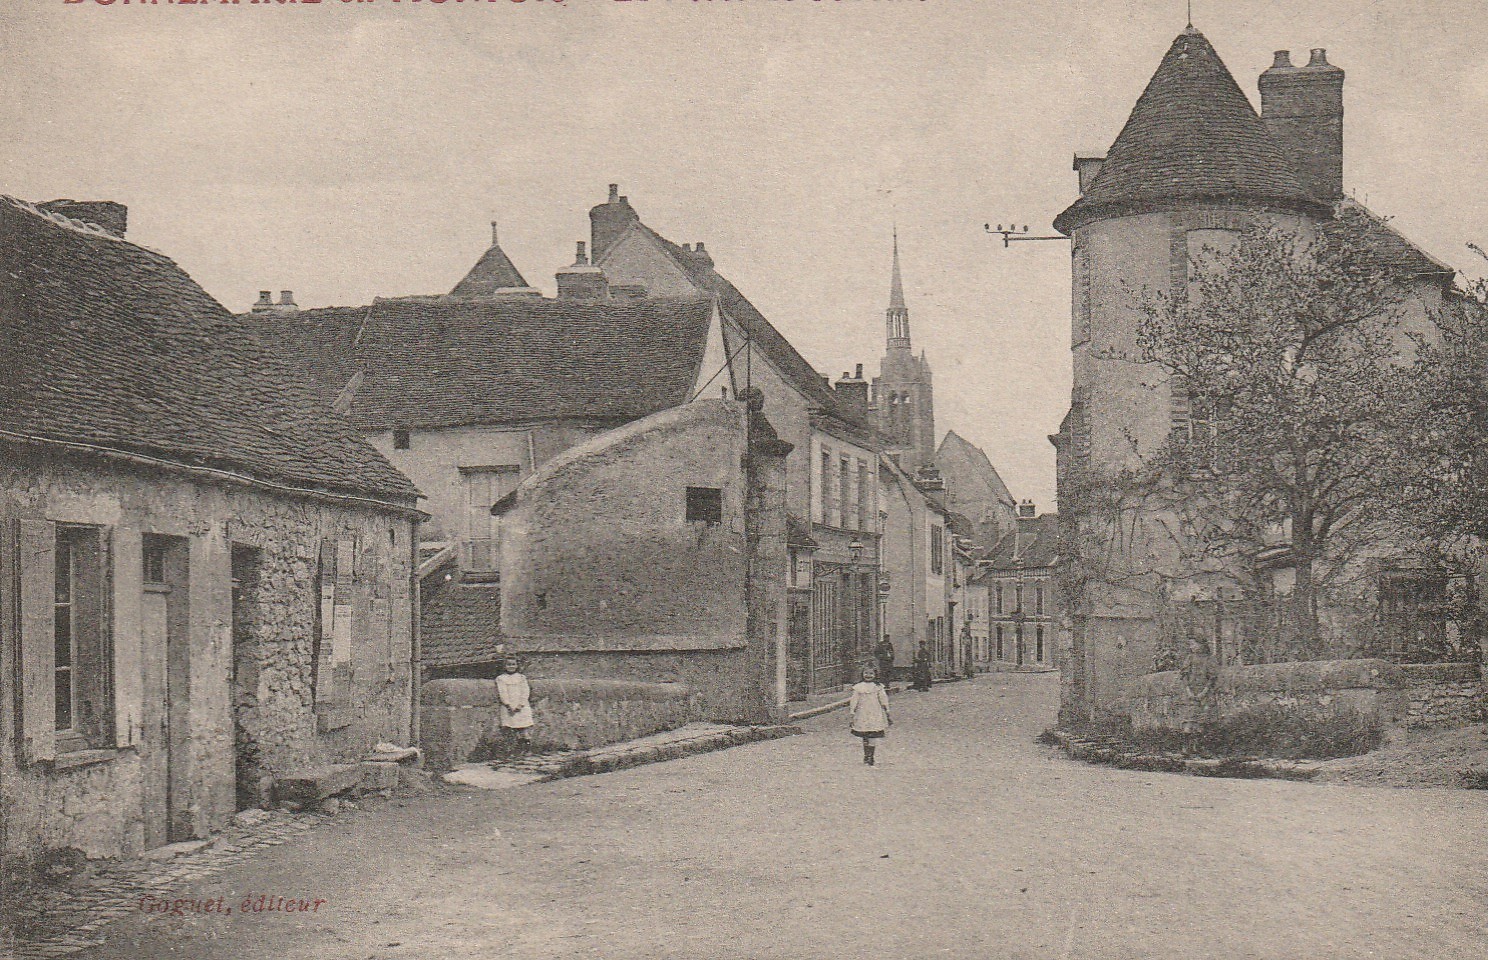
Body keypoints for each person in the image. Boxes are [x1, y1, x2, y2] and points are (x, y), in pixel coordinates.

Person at [1178, 638, 1219, 755]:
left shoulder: (1209, 659)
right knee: (1189, 720)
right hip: (1191, 692)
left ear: (1201, 644)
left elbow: (1212, 678)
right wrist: (1188, 690)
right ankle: (1185, 747)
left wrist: (1204, 691)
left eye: (1193, 644)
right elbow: (1184, 675)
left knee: (1202, 721)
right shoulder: (1190, 658)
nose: (1191, 647)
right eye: (1190, 644)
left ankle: (1199, 747)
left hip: (1205, 693)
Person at [848, 666, 891, 766]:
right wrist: (852, 710)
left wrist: (887, 709)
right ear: (862, 674)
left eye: (871, 673)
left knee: (873, 733)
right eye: (866, 673)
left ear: (875, 675)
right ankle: (866, 754)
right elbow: (854, 700)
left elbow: (883, 699)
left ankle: (871, 756)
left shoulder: (878, 687)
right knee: (864, 734)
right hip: (862, 713)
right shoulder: (858, 687)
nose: (868, 675)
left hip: (875, 713)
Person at [495, 656, 534, 758]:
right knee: (513, 729)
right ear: (505, 666)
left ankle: (527, 749)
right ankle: (516, 749)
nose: (511, 666)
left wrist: (520, 705)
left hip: (521, 705)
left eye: (513, 664)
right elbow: (502, 692)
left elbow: (525, 691)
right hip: (508, 707)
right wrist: (508, 705)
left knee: (523, 728)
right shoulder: (501, 678)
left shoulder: (521, 678)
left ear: (517, 665)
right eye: (509, 664)